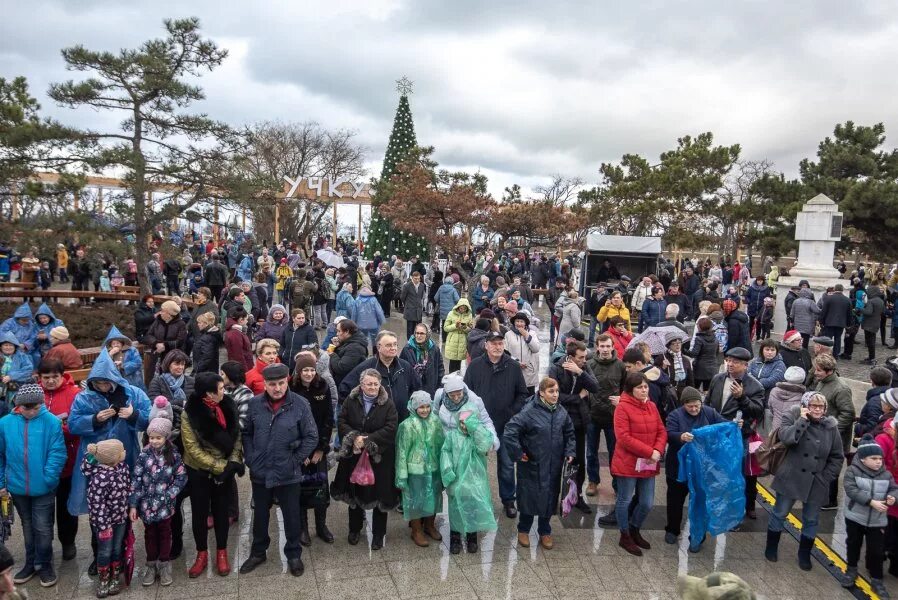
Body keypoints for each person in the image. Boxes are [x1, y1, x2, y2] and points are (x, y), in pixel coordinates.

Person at [240, 364, 317, 577]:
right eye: (272, 384)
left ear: (287, 381)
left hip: (288, 472)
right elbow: (246, 432)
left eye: (281, 383)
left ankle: (293, 554)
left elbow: (311, 436)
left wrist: (295, 460)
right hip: (261, 470)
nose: (277, 388)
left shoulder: (300, 404)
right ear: (264, 384)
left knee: (292, 515)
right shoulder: (255, 404)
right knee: (261, 514)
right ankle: (258, 552)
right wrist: (251, 457)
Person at [765, 392, 844, 571]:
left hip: (817, 481)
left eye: (821, 407)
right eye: (813, 406)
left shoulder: (831, 427)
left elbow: (837, 456)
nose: (817, 410)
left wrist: (825, 477)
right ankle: (771, 547)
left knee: (811, 519)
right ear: (805, 406)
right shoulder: (791, 417)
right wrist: (802, 421)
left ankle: (804, 554)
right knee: (780, 513)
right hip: (791, 476)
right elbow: (787, 439)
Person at [0, 384, 66, 587]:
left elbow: (57, 453)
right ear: (17, 405)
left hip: (44, 487)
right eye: (25, 407)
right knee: (27, 526)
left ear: (41, 403)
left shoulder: (52, 422)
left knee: (43, 527)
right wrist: (3, 482)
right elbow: (1, 456)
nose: (30, 411)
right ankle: (30, 563)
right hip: (17, 487)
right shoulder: (5, 423)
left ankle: (45, 564)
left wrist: (48, 478)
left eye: (35, 407)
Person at [180, 372, 243, 578]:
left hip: (224, 470)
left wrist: (233, 462)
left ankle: (222, 552)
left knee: (221, 511)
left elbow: (237, 436)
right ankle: (201, 554)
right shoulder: (190, 412)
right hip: (199, 470)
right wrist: (220, 466)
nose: (224, 390)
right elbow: (192, 449)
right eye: (221, 388)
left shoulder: (228, 404)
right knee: (199, 513)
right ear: (209, 393)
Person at [504, 377, 575, 550]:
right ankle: (524, 529)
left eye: (557, 391)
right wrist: (518, 453)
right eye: (551, 391)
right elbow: (510, 431)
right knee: (529, 497)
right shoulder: (529, 411)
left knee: (550, 497)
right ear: (542, 392)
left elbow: (569, 432)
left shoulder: (561, 411)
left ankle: (545, 531)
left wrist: (570, 451)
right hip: (533, 464)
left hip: (553, 464)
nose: (555, 395)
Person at [464, 331, 530, 519]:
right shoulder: (475, 366)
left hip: (506, 425)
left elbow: (522, 394)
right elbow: (466, 394)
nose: (497, 347)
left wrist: (512, 412)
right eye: (493, 344)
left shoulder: (513, 366)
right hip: (480, 426)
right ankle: (477, 498)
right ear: (486, 346)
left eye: (500, 343)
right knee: (477, 465)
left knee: (507, 465)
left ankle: (508, 500)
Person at [330, 369, 398, 550]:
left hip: (379, 458)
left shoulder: (388, 404)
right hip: (355, 454)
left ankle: (378, 534)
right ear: (361, 385)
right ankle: (354, 530)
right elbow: (342, 421)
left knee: (380, 496)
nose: (373, 387)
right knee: (355, 492)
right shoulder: (351, 401)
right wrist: (354, 438)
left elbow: (391, 427)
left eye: (376, 384)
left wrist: (367, 440)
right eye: (369, 384)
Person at [664, 387, 727, 550]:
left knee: (700, 502)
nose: (694, 409)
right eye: (690, 406)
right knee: (675, 501)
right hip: (678, 468)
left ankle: (698, 535)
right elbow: (668, 433)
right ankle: (672, 529)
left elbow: (723, 427)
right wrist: (680, 436)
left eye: (697, 406)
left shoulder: (710, 413)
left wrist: (735, 425)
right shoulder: (675, 415)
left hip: (702, 469)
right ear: (683, 404)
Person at [705, 347, 765, 520]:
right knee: (715, 472)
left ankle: (739, 510)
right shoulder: (717, 379)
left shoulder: (755, 386)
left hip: (738, 438)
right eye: (728, 360)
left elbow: (757, 412)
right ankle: (716, 506)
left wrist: (742, 398)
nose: (730, 364)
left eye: (735, 362)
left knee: (736, 475)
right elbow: (708, 404)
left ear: (746, 365)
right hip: (716, 434)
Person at [612, 372, 667, 556]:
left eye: (645, 386)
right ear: (630, 389)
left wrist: (658, 450)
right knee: (624, 500)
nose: (644, 390)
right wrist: (649, 452)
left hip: (648, 462)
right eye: (639, 387)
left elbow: (661, 430)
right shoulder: (622, 408)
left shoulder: (651, 406)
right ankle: (625, 535)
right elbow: (623, 437)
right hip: (628, 462)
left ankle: (635, 528)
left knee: (647, 502)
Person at [129, 417, 187, 587]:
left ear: (166, 437)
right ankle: (151, 564)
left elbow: (181, 476)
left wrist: (170, 494)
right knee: (149, 535)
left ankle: (164, 563)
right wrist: (133, 504)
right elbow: (136, 479)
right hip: (147, 506)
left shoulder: (173, 455)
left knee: (165, 533)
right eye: (152, 437)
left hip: (165, 506)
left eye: (158, 438)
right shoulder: (143, 456)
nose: (154, 441)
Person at [840, 435, 898, 596]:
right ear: (863, 459)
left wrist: (894, 498)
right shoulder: (853, 471)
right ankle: (851, 570)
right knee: (853, 544)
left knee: (877, 551)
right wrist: (871, 502)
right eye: (874, 458)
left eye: (880, 458)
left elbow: (893, 488)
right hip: (855, 517)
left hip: (877, 521)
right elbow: (852, 490)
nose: (879, 461)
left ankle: (877, 579)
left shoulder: (886, 474)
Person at [35, 359, 81, 560]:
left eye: (55, 376)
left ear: (62, 375)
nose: (51, 381)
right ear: (40, 378)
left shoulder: (75, 394)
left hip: (68, 460)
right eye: (46, 377)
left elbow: (77, 425)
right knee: (42, 508)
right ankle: (43, 546)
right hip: (40, 462)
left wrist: (54, 429)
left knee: (66, 506)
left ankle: (68, 542)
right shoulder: (33, 395)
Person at [548, 340, 599, 514]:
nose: (584, 360)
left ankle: (576, 496)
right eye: (581, 358)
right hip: (559, 422)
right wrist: (578, 397)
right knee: (556, 462)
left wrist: (580, 372)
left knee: (578, 463)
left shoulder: (583, 368)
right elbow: (555, 397)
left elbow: (595, 387)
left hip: (579, 423)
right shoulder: (556, 369)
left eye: (585, 357)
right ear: (570, 357)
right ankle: (553, 498)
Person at [289, 353, 335, 545]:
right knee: (300, 489)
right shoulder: (291, 389)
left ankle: (321, 526)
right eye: (305, 370)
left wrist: (321, 449)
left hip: (318, 449)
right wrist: (301, 452)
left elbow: (327, 420)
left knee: (320, 488)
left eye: (311, 370)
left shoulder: (323, 387)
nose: (308, 373)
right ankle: (302, 529)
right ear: (299, 372)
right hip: (299, 449)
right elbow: (290, 424)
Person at [440, 406, 497, 554]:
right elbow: (445, 452)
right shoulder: (452, 436)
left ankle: (472, 536)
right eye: (462, 422)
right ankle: (455, 537)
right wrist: (448, 470)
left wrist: (476, 429)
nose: (465, 425)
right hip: (457, 480)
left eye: (469, 422)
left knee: (472, 509)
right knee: (455, 509)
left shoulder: (479, 436)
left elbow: (485, 445)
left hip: (474, 482)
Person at [80, 439, 130, 597]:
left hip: (120, 518)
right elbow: (96, 504)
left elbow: (128, 487)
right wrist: (104, 527)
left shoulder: (122, 467)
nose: (125, 453)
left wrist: (130, 507)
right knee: (105, 551)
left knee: (117, 548)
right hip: (104, 525)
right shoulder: (99, 478)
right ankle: (103, 579)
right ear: (112, 458)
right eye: (121, 451)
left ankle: (115, 577)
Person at [395, 390, 445, 547]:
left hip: (434, 467)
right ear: (413, 407)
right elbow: (402, 452)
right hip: (415, 470)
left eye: (427, 406)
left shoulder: (435, 422)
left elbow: (441, 445)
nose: (425, 410)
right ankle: (416, 530)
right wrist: (401, 476)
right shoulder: (407, 426)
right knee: (416, 500)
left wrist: (444, 467)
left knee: (434, 497)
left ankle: (430, 525)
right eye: (420, 407)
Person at [339, 331, 422, 422]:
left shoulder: (405, 366)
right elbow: (344, 389)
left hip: (402, 423)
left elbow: (417, 389)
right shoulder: (367, 367)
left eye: (395, 344)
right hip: (377, 427)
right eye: (388, 345)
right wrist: (358, 414)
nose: (393, 348)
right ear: (379, 347)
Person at [585, 334, 627, 506]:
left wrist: (622, 400)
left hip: (612, 416)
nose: (604, 349)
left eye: (607, 346)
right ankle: (593, 481)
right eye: (601, 346)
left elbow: (626, 389)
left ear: (612, 347)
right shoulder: (589, 364)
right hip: (592, 415)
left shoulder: (620, 366)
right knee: (591, 452)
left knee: (614, 452)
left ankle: (617, 483)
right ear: (597, 347)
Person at [812, 353, 856, 510]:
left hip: (835, 438)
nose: (815, 372)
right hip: (821, 433)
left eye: (818, 370)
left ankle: (830, 501)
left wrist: (832, 431)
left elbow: (848, 414)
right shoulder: (822, 382)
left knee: (831, 469)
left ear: (828, 371)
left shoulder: (841, 388)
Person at [142, 300, 188, 374]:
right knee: (156, 379)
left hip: (173, 358)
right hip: (157, 355)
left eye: (163, 311)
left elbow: (180, 342)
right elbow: (148, 335)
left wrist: (165, 345)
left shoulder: (181, 324)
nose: (160, 312)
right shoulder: (157, 321)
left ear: (169, 314)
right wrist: (156, 343)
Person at [400, 323, 445, 398]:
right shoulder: (407, 349)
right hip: (413, 390)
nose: (418, 336)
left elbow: (440, 368)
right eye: (417, 333)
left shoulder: (434, 348)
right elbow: (401, 369)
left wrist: (440, 386)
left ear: (427, 334)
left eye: (422, 333)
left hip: (430, 388)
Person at [504, 312, 540, 394]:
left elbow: (536, 349)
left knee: (529, 397)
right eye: (517, 321)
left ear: (525, 323)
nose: (519, 323)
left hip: (529, 371)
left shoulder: (532, 334)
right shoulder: (508, 335)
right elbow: (505, 352)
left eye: (521, 321)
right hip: (513, 369)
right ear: (514, 322)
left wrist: (526, 336)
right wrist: (515, 362)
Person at [0, 332, 34, 410]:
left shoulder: (22, 357)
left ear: (15, 346)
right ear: (1, 346)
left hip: (16, 390)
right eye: (5, 345)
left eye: (11, 345)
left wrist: (11, 376)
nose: (8, 347)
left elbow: (28, 370)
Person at [768, 367, 807, 432]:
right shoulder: (803, 396)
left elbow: (771, 409)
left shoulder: (774, 391)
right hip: (791, 431)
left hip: (775, 429)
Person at [686, 318, 719, 391]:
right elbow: (716, 353)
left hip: (699, 369)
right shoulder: (715, 338)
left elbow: (694, 354)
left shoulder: (699, 339)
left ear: (701, 327)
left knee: (694, 389)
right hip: (712, 368)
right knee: (707, 391)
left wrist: (684, 351)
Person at [819, 284, 852, 358]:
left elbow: (824, 311)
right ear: (842, 290)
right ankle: (835, 355)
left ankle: (826, 354)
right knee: (838, 339)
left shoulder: (829, 298)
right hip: (841, 323)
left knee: (827, 339)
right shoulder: (847, 300)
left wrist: (821, 321)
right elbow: (849, 314)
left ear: (834, 289)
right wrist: (848, 324)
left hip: (829, 322)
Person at [443, 298, 473, 373]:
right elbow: (445, 328)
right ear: (458, 307)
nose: (463, 310)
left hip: (462, 341)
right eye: (461, 308)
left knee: (458, 363)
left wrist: (465, 327)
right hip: (452, 340)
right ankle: (451, 378)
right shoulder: (451, 314)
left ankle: (457, 379)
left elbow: (470, 330)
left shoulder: (469, 315)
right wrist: (455, 326)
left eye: (465, 308)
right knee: (452, 362)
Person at [861, 285, 886, 365]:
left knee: (869, 342)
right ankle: (871, 357)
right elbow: (883, 312)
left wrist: (860, 309)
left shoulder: (871, 301)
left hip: (869, 324)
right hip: (876, 323)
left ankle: (871, 359)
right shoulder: (880, 300)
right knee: (872, 341)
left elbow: (868, 312)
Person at [400, 270, 427, 341]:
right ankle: (410, 343)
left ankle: (418, 341)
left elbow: (420, 296)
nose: (417, 280)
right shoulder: (407, 286)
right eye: (415, 278)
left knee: (418, 328)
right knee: (410, 329)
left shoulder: (422, 285)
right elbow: (402, 297)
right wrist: (407, 305)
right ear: (412, 278)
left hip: (418, 310)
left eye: (418, 278)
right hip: (410, 310)